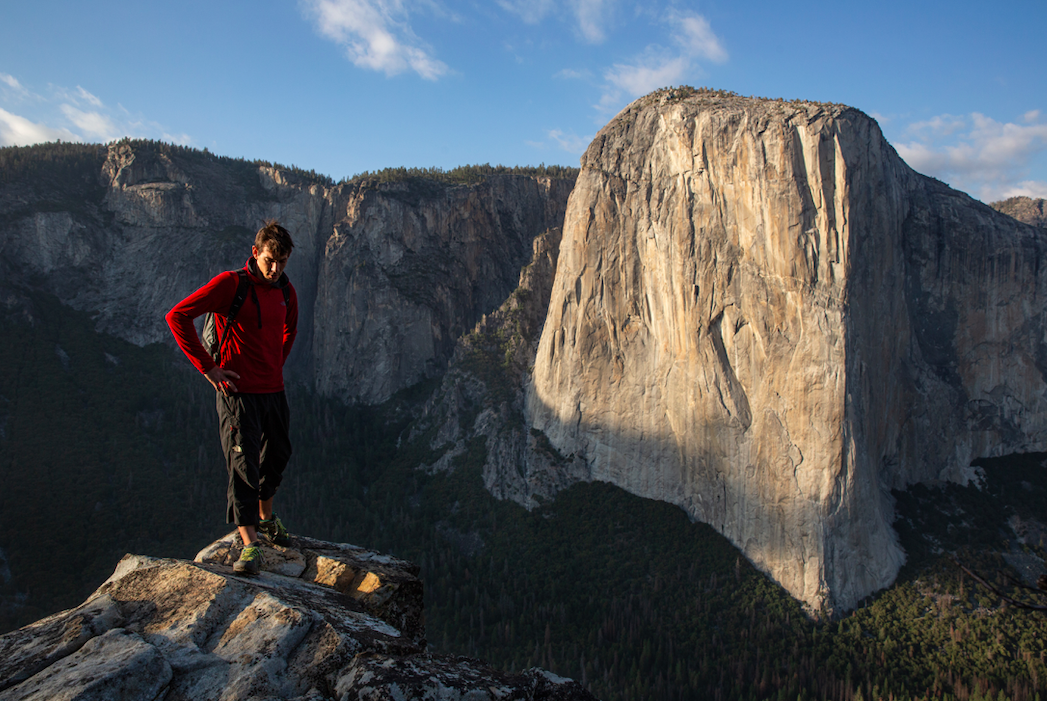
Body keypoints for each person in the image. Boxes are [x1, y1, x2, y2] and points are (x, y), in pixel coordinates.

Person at [165, 220, 298, 575]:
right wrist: (209, 369)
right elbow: (177, 316)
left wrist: (274, 365)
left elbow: (290, 329)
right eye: (271, 259)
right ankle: (250, 544)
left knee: (278, 455)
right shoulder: (230, 285)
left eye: (283, 262)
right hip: (236, 393)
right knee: (244, 467)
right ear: (255, 253)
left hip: (273, 390)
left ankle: (267, 518)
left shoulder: (286, 291)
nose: (276, 268)